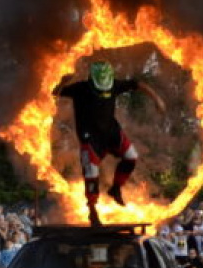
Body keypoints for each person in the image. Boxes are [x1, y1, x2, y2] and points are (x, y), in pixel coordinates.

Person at [56, 61, 165, 226]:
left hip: (111, 133)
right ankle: (92, 210)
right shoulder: (80, 89)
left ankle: (115, 188)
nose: (104, 92)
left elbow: (138, 85)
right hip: (90, 138)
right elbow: (55, 92)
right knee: (91, 172)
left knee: (131, 157)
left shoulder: (114, 85)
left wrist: (157, 100)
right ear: (92, 81)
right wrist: (64, 80)